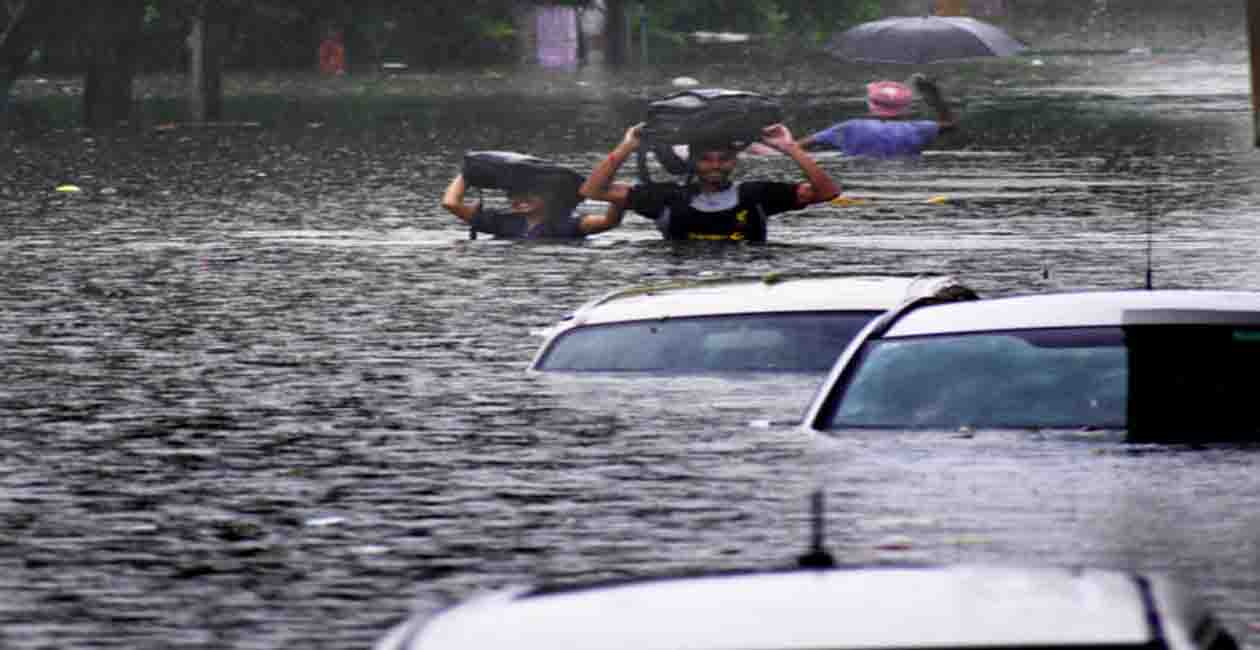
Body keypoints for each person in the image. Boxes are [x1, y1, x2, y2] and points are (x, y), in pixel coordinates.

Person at [579, 123, 839, 242]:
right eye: (706, 160)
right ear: (692, 162)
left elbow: (827, 192)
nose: (715, 166)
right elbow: (593, 190)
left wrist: (790, 148)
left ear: (734, 161)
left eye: (723, 159)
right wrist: (628, 146)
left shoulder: (757, 194)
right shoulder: (665, 198)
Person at [798, 74, 957, 158]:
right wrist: (935, 96)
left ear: (871, 104)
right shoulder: (920, 129)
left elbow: (797, 146)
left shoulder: (851, 127)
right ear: (905, 106)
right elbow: (951, 124)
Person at [441, 172, 623, 240]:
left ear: (551, 197)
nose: (520, 199)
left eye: (530, 194)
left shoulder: (569, 224)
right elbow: (451, 203)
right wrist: (468, 172)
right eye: (513, 194)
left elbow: (608, 221)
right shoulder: (502, 222)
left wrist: (618, 197)